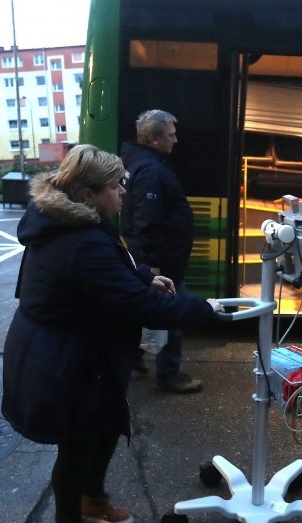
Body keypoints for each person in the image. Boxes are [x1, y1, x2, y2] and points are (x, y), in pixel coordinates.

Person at [1, 144, 223, 523]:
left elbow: (112, 269)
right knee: (79, 440)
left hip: (84, 351)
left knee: (102, 427)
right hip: (64, 357)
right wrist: (203, 309)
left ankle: (92, 498)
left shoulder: (80, 223)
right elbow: (138, 306)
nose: (125, 191)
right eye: (116, 185)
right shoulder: (79, 239)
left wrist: (143, 277)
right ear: (87, 193)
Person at [120, 109, 202, 393]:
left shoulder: (140, 163)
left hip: (159, 259)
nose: (176, 140)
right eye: (171, 135)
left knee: (147, 313)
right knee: (173, 314)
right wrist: (153, 266)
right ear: (154, 139)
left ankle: (132, 360)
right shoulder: (151, 170)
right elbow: (147, 221)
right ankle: (169, 374)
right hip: (163, 262)